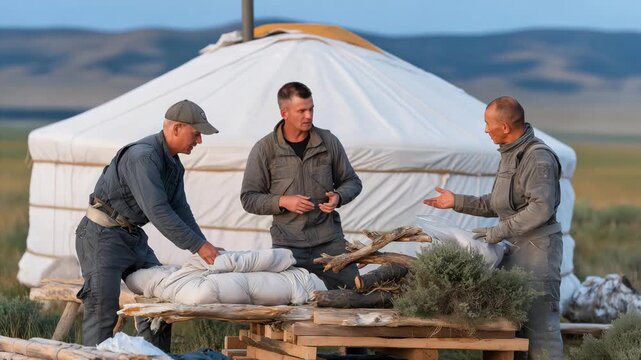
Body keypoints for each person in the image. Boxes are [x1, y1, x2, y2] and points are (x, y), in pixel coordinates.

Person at [423, 96, 563, 360]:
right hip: (514, 251)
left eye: (488, 124)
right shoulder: (511, 154)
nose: (486, 130)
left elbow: (541, 209)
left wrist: (495, 233)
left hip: (538, 255)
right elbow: (499, 202)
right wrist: (457, 202)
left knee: (541, 330)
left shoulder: (538, 159)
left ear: (506, 127)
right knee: (513, 330)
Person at [75, 99, 221, 350]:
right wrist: (198, 246)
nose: (199, 141)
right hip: (102, 236)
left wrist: (205, 245)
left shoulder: (174, 164)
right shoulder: (143, 157)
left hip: (132, 237)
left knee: (159, 300)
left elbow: (181, 209)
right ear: (176, 128)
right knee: (102, 309)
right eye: (196, 134)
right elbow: (158, 211)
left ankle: (155, 357)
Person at [240, 81, 363, 290]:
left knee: (355, 295)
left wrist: (339, 197)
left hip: (330, 244)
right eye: (302, 111)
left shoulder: (329, 141)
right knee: (288, 310)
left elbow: (352, 181)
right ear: (284, 113)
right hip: (287, 247)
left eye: (311, 109)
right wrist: (282, 201)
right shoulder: (264, 149)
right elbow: (249, 198)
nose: (309, 116)